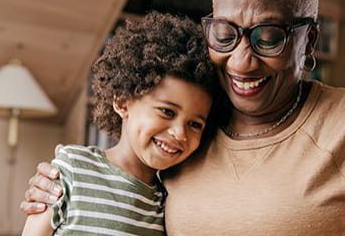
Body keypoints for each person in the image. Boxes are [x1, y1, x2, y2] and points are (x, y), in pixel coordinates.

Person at [21, 0, 345, 235]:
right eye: (225, 34)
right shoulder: (192, 129)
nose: (241, 61)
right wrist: (63, 189)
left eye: (268, 37)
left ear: (309, 42)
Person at [21, 12, 218, 235]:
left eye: (195, 124)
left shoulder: (170, 201)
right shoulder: (73, 168)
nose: (179, 133)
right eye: (166, 111)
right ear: (123, 102)